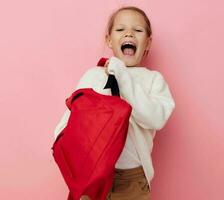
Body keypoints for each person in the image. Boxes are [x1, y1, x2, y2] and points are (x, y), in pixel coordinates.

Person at [53, 5, 175, 200]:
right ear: (109, 40)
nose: (129, 33)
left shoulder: (153, 80)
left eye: (138, 30)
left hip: (131, 180)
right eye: (120, 30)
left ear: (148, 42)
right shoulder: (93, 75)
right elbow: (72, 119)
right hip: (91, 176)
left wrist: (123, 76)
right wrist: (63, 143)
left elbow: (155, 119)